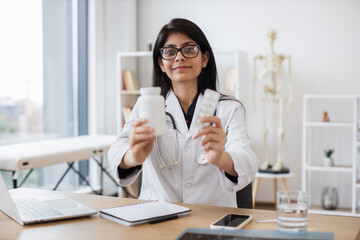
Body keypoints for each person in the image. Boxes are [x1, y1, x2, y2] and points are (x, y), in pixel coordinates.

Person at [108, 18, 259, 207]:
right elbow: (116, 150)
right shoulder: (146, 105)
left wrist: (222, 158)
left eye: (189, 49)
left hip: (211, 219)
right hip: (157, 214)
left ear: (204, 58)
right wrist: (133, 156)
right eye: (170, 52)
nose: (179, 57)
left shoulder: (228, 108)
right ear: (161, 64)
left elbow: (247, 159)